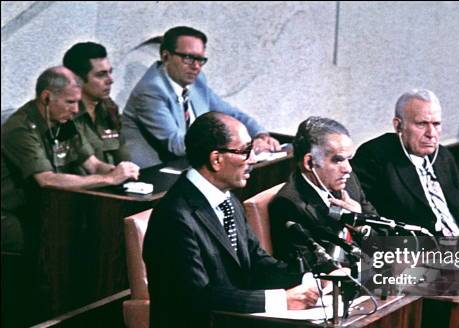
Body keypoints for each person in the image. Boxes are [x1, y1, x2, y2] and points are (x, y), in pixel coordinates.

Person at [142, 112, 322, 328]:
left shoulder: (228, 202)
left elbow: (258, 264)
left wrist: (313, 278)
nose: (252, 159)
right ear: (216, 159)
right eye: (246, 151)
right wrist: (281, 300)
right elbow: (197, 297)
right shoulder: (174, 216)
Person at [1, 66, 139, 254]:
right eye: (70, 102)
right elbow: (46, 180)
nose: (75, 109)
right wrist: (109, 179)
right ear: (46, 97)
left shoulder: (62, 122)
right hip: (13, 209)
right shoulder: (20, 129)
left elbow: (92, 164)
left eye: (77, 102)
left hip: (49, 204)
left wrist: (119, 172)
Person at [122, 25, 280, 168]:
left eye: (200, 59)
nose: (196, 67)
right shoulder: (151, 91)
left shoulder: (196, 81)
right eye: (188, 58)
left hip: (189, 163)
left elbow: (230, 114)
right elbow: (174, 144)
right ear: (165, 56)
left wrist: (261, 135)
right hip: (154, 172)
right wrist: (239, 144)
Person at [352, 89, 459, 236]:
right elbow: (371, 219)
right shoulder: (374, 157)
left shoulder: (443, 156)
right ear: (398, 126)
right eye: (422, 124)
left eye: (436, 124)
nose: (431, 134)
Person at [269, 116, 379, 264]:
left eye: (348, 159)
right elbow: (310, 268)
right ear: (309, 162)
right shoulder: (288, 205)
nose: (348, 168)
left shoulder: (349, 181)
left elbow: (383, 239)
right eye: (338, 160)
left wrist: (361, 226)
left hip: (374, 268)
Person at [63, 41, 130, 165]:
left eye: (110, 72)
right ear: (77, 79)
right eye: (101, 75)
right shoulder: (63, 115)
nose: (110, 80)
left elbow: (124, 158)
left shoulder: (109, 108)